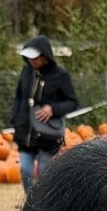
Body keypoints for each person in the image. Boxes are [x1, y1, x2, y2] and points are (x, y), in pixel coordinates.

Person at [9, 36, 78, 195]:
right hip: (25, 133)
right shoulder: (26, 72)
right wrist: (16, 119)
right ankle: (31, 200)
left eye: (35, 58)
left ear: (45, 56)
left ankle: (42, 200)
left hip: (48, 134)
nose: (31, 61)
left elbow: (72, 102)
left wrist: (52, 109)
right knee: (25, 169)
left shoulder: (60, 75)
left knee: (43, 171)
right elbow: (19, 97)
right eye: (29, 58)